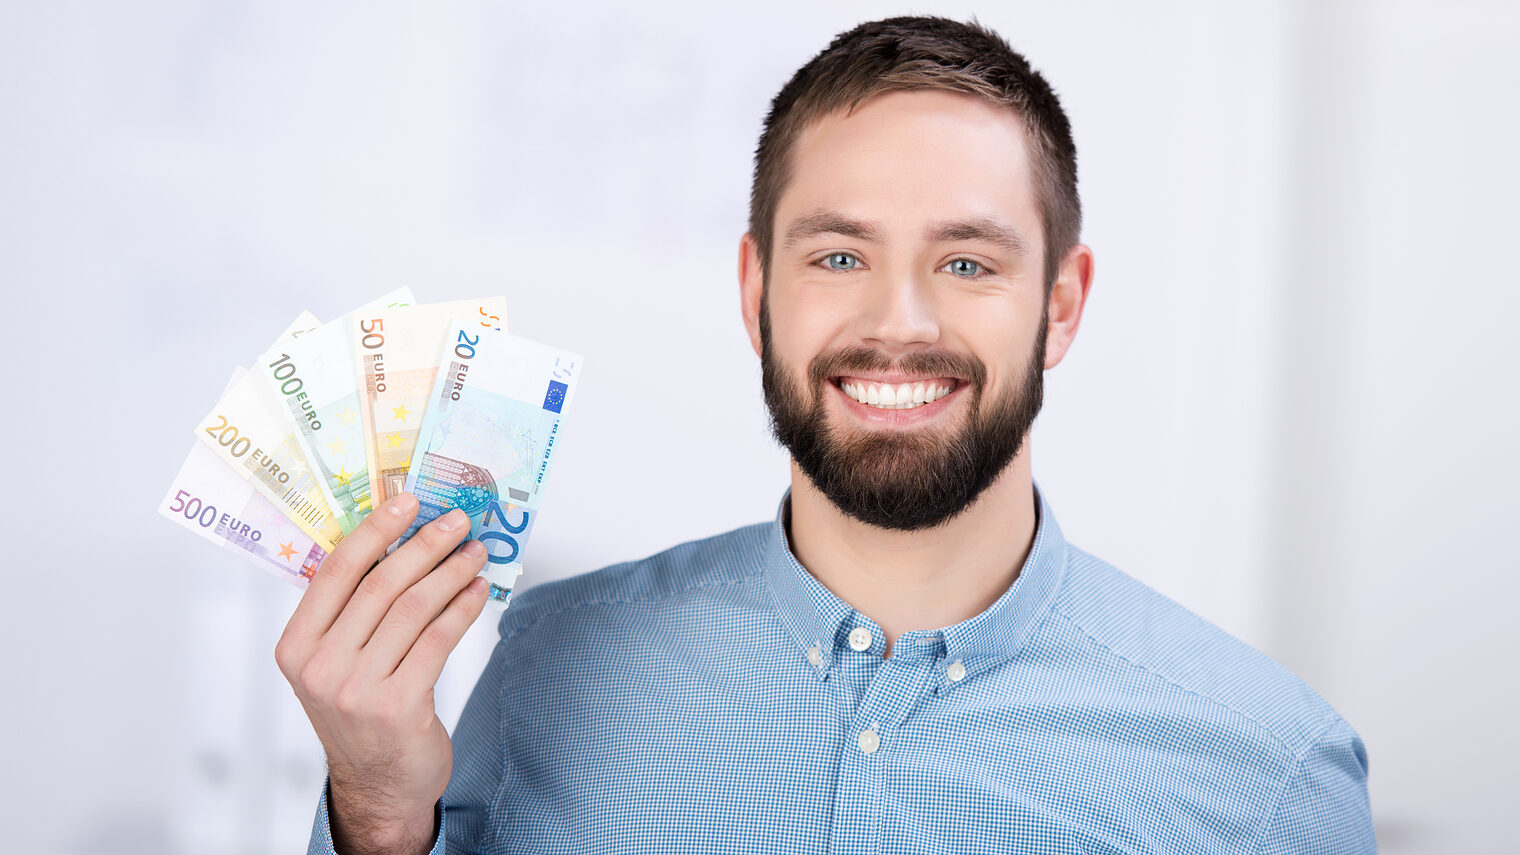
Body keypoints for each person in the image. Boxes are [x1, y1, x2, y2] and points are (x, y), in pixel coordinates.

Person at [278, 15, 1376, 854]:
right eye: (838, 257)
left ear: (1060, 304)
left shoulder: (1267, 775)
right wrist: (376, 804)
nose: (897, 324)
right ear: (757, 289)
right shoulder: (551, 667)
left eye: (965, 263)